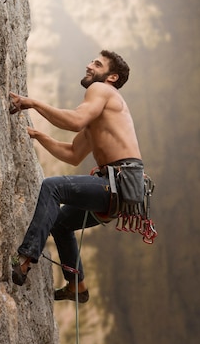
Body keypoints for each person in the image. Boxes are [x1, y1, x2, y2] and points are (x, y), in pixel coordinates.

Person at [9, 50, 143, 303]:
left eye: (97, 64)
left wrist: (34, 103)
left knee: (52, 187)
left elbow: (76, 121)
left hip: (119, 182)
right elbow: (72, 153)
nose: (89, 65)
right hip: (123, 187)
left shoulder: (101, 90)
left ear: (111, 77)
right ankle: (77, 287)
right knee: (61, 223)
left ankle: (25, 259)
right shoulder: (102, 115)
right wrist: (39, 136)